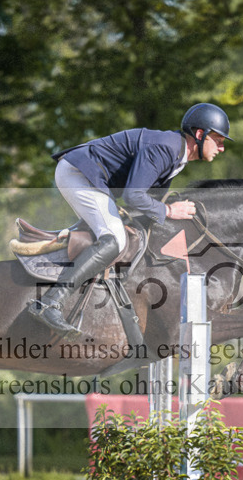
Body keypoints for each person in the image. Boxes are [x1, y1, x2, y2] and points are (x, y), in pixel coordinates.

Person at [29, 102, 232, 339]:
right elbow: (133, 196)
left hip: (90, 178)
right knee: (114, 238)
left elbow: (148, 202)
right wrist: (168, 210)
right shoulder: (166, 149)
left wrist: (171, 216)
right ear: (200, 134)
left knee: (124, 232)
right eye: (218, 140)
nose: (221, 148)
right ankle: (50, 303)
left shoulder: (176, 154)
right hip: (79, 174)